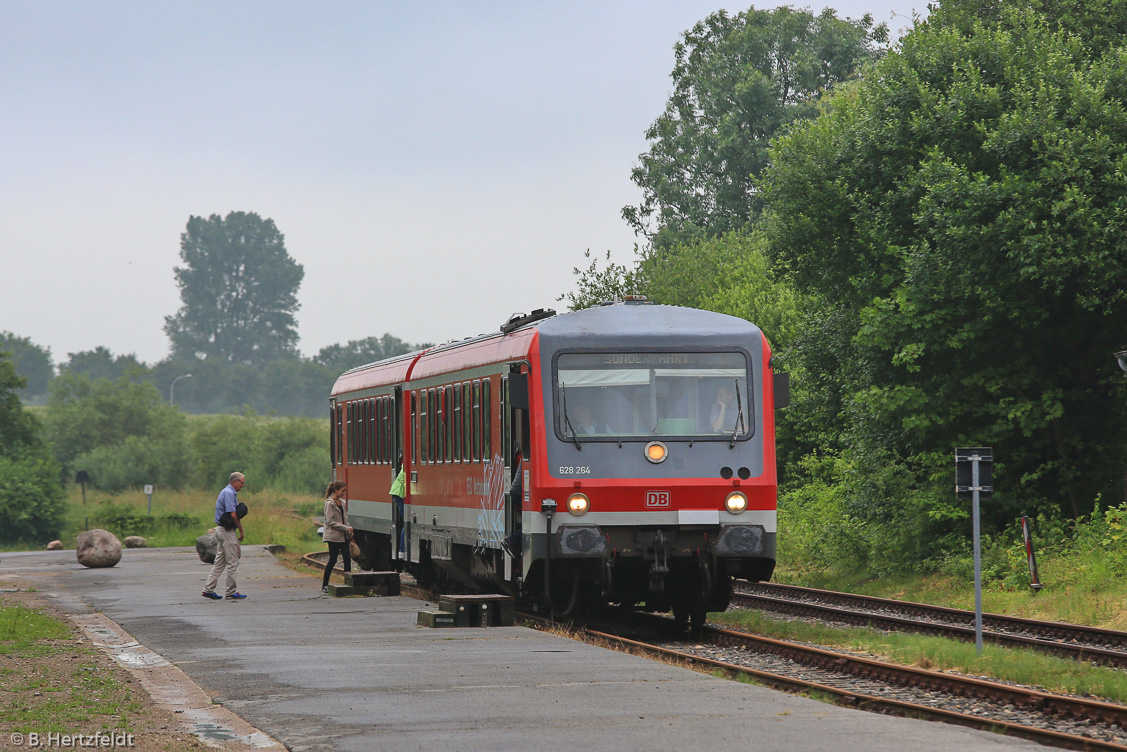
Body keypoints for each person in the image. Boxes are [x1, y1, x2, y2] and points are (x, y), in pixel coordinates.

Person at [202, 472, 247, 601]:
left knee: (219, 562)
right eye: (242, 482)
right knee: (233, 561)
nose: (243, 485)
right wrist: (241, 530)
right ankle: (231, 592)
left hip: (220, 530)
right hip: (226, 532)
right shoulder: (229, 493)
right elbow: (233, 514)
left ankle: (208, 589)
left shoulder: (227, 492)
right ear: (235, 482)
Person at [321, 480, 353, 594]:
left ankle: (348, 584)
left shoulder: (342, 503)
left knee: (347, 560)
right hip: (333, 537)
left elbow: (345, 519)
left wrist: (349, 529)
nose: (344, 493)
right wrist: (346, 528)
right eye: (342, 491)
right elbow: (330, 522)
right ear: (336, 490)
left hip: (343, 537)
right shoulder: (329, 504)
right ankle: (325, 585)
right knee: (333, 560)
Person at [389, 459, 406, 558]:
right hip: (399, 493)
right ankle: (402, 550)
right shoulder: (407, 466)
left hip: (398, 493)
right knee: (407, 523)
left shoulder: (406, 464)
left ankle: (402, 550)